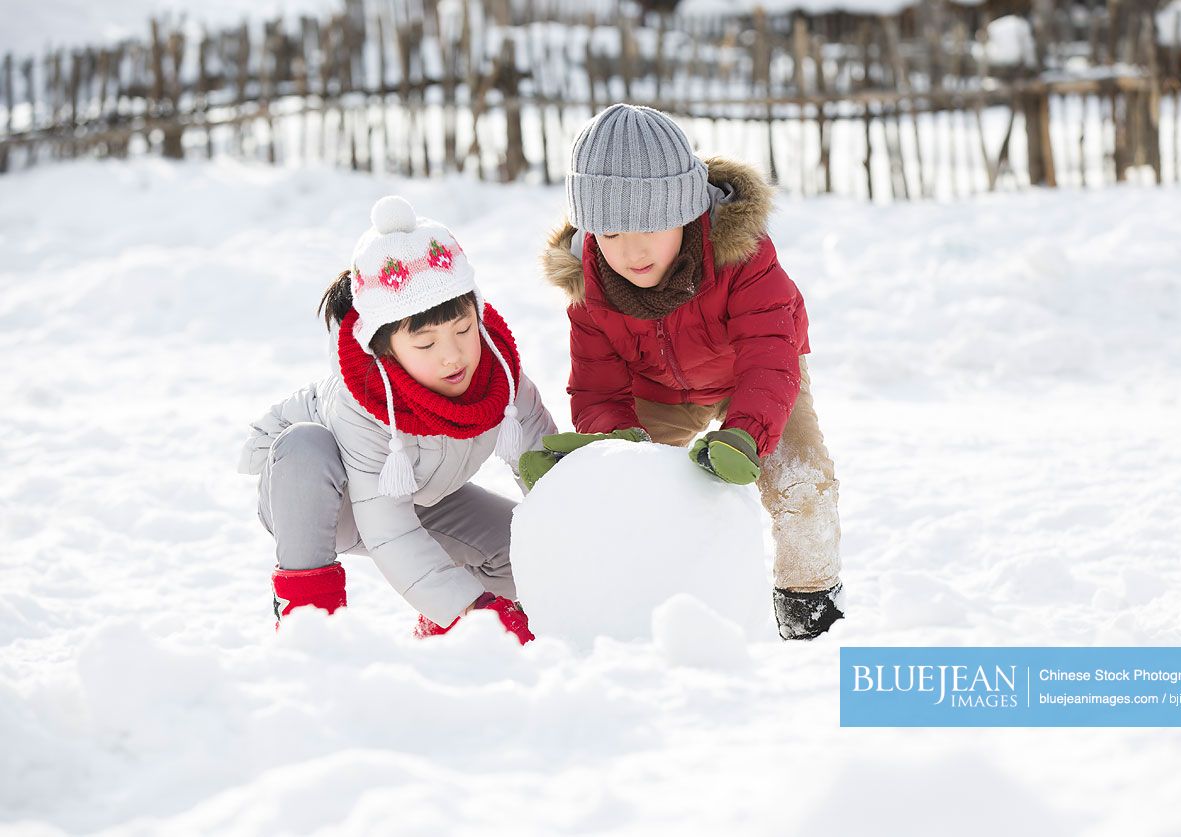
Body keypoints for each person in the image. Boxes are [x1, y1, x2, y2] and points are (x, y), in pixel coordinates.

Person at [526, 103, 844, 640]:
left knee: (802, 481)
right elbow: (598, 385)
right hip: (661, 392)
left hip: (757, 376)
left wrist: (747, 434)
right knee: (630, 487)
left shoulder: (743, 256)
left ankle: (808, 610)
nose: (632, 250)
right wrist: (611, 449)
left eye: (651, 224)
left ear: (687, 209)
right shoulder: (591, 286)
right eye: (609, 231)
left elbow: (769, 353)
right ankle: (647, 605)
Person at [238, 195, 556, 643]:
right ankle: (309, 623)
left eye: (464, 330)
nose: (452, 356)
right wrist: (468, 609)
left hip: (424, 492)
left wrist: (578, 539)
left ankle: (443, 636)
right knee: (305, 445)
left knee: (525, 552)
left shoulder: (501, 378)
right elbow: (390, 532)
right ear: (384, 348)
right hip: (326, 499)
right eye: (426, 345)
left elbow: (546, 474)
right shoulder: (361, 401)